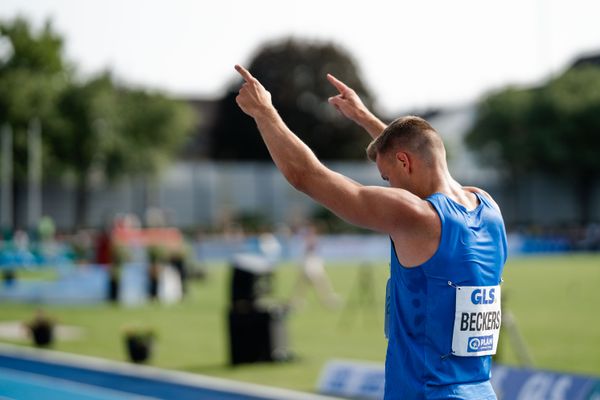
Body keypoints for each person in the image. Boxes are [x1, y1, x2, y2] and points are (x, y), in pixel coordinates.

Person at [234, 64, 507, 400]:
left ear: (404, 163)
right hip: (480, 391)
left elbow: (306, 176)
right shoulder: (488, 208)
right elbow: (415, 156)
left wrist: (264, 111)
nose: (388, 186)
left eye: (386, 178)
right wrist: (367, 120)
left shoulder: (418, 217)